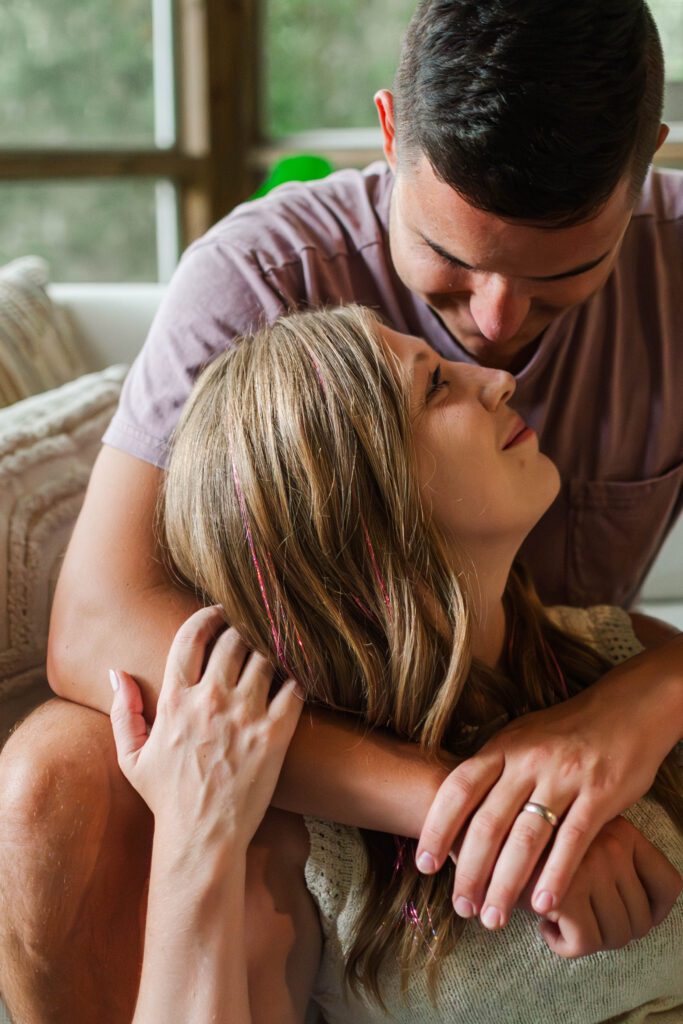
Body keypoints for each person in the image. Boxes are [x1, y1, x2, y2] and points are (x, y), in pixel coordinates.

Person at [0, 1, 681, 1019]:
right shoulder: (260, 277)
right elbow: (98, 626)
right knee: (56, 764)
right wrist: (474, 807)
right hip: (336, 713)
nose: (493, 337)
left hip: (556, 670)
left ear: (645, 169)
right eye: (451, 264)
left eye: (556, 283)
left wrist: (628, 707)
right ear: (388, 132)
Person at [112, 305, 682, 1023]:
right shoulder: (298, 840)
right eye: (436, 387)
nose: (499, 380)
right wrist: (195, 838)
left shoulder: (628, 656)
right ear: (355, 504)